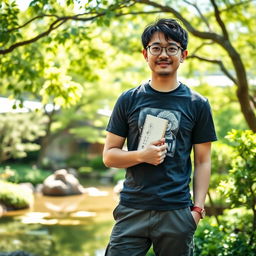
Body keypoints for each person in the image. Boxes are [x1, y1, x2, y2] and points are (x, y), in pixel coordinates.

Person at [103, 18, 217, 256]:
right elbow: (109, 156)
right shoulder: (128, 99)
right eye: (156, 48)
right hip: (132, 208)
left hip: (176, 212)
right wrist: (142, 155)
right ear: (145, 54)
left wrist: (197, 210)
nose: (163, 54)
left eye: (171, 48)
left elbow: (203, 161)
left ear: (183, 54)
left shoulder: (198, 104)